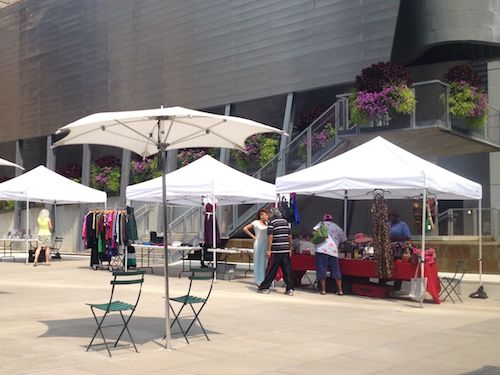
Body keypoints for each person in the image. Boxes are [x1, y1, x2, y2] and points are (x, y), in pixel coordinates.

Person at [257, 207, 294, 296]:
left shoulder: (272, 223)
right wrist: (290, 248)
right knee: (287, 270)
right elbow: (290, 236)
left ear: (271, 214)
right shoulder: (285, 222)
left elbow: (270, 237)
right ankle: (290, 289)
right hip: (285, 249)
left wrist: (269, 250)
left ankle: (265, 287)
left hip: (276, 250)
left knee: (272, 269)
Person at [313, 213, 347, 295]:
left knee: (322, 270)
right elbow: (344, 239)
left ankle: (323, 290)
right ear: (331, 219)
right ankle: (340, 290)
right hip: (333, 251)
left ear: (324, 219)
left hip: (321, 249)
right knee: (336, 270)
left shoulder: (320, 224)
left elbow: (314, 233)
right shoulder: (337, 227)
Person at [243, 208, 269, 286]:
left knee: (265, 262)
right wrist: (253, 237)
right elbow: (245, 228)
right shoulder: (256, 222)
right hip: (259, 243)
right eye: (265, 215)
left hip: (266, 244)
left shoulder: (267, 224)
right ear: (261, 216)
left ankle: (265, 279)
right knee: (258, 261)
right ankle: (259, 280)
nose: (267, 216)